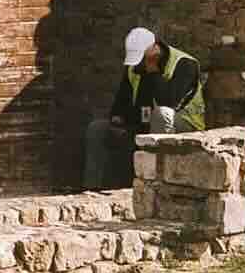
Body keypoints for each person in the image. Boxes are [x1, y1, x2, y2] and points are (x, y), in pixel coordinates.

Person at [82, 26, 204, 187]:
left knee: (162, 114)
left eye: (142, 58)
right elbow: (122, 98)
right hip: (143, 122)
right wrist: (117, 118)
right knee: (97, 129)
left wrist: (153, 71)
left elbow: (169, 102)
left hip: (184, 124)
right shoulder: (134, 67)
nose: (138, 64)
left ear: (155, 49)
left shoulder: (185, 64)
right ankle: (92, 187)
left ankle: (155, 183)